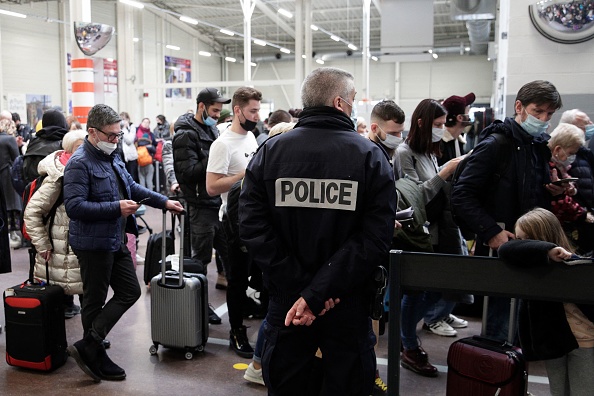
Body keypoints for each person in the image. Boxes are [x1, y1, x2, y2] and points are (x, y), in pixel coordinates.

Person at [239, 67, 396, 395]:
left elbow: (253, 228)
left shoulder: (269, 153)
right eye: (353, 101)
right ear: (340, 103)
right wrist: (319, 293)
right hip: (345, 302)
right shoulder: (370, 157)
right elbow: (374, 238)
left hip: (288, 305)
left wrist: (304, 293)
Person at [64, 104, 184, 382]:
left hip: (114, 239)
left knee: (130, 291)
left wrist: (163, 201)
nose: (116, 140)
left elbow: (132, 186)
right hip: (92, 244)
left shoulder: (112, 156)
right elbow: (75, 207)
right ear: (92, 132)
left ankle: (90, 345)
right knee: (94, 300)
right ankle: (94, 351)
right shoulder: (80, 163)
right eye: (111, 136)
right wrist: (115, 208)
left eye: (119, 135)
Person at [451, 80, 566, 341]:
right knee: (500, 327)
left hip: (531, 243)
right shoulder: (495, 144)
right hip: (502, 245)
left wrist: (553, 190)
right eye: (538, 111)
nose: (544, 118)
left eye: (549, 113)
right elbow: (462, 195)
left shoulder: (537, 145)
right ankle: (493, 375)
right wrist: (491, 232)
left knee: (517, 327)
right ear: (519, 107)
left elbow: (527, 192)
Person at [395, 99, 463, 376]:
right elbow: (413, 197)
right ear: (421, 123)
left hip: (436, 231)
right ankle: (408, 344)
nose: (440, 130)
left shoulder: (429, 153)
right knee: (415, 290)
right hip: (416, 234)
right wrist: (444, 173)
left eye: (442, 125)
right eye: (436, 125)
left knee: (434, 288)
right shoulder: (404, 153)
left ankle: (407, 338)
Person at [498, 208, 594, 396]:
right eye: (519, 239)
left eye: (526, 239)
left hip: (586, 341)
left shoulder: (575, 264)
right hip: (555, 342)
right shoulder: (533, 261)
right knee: (558, 392)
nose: (521, 244)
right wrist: (546, 250)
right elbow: (505, 249)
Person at [206, 86, 263, 358]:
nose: (257, 115)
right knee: (237, 280)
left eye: (258, 110)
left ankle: (249, 310)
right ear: (238, 111)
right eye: (252, 110)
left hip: (254, 220)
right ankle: (236, 331)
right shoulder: (222, 144)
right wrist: (243, 175)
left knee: (257, 275)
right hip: (232, 223)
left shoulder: (251, 137)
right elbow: (212, 186)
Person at [172, 87, 231, 314]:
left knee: (228, 255)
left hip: (217, 203)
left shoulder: (213, 131)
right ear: (201, 106)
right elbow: (186, 172)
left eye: (219, 111)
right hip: (198, 206)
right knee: (200, 262)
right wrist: (216, 156)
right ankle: (197, 309)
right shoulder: (185, 134)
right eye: (215, 110)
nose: (217, 115)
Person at [24, 130, 87, 318]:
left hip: (81, 247)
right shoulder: (57, 176)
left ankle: (91, 338)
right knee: (59, 301)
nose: (85, 150)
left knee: (89, 296)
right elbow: (32, 212)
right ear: (68, 149)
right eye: (79, 147)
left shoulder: (84, 169)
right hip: (60, 250)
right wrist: (42, 244)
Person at [0, 119, 21, 248]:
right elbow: (16, 158)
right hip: (8, 175)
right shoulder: (9, 140)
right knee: (12, 204)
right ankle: (13, 232)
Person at [136, 118, 156, 191]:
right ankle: (151, 197)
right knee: (149, 181)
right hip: (149, 164)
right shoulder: (150, 145)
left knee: (142, 181)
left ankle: (143, 198)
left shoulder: (138, 144)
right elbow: (154, 150)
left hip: (140, 163)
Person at [120, 112, 139, 183]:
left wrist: (124, 129)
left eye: (124, 119)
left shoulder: (131, 127)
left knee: (132, 177)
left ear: (128, 119)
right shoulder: (118, 128)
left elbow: (129, 140)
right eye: (121, 119)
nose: (123, 121)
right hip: (122, 156)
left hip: (131, 157)